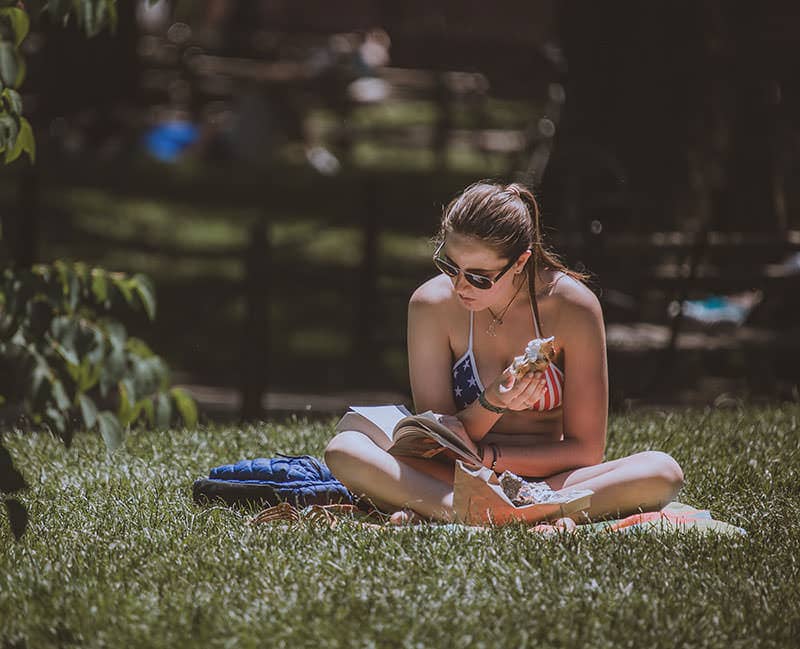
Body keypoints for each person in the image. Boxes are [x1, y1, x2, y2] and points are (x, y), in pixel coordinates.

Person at [325, 180, 683, 525]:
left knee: (661, 471)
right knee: (345, 449)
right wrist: (492, 403)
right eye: (450, 266)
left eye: (479, 277)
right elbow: (438, 440)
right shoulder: (430, 304)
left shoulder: (573, 307)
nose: (460, 286)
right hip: (456, 472)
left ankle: (465, 512)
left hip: (547, 480)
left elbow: (586, 451)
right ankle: (504, 514)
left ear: (520, 262)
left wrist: (488, 458)